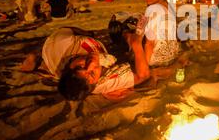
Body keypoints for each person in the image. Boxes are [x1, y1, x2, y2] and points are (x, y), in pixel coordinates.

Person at [21, 27, 150, 101]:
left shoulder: (62, 43)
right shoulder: (98, 84)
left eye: (80, 67)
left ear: (68, 67)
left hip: (53, 45)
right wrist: (136, 44)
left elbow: (68, 29)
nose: (91, 64)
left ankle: (36, 58)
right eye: (92, 73)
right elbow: (142, 75)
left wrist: (87, 33)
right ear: (95, 83)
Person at [140, 0, 180, 67]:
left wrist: (146, 67)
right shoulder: (168, 6)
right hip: (173, 55)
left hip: (156, 60)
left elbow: (149, 44)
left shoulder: (153, 10)